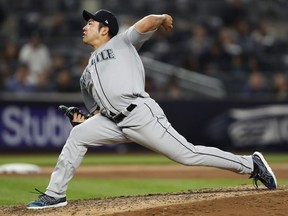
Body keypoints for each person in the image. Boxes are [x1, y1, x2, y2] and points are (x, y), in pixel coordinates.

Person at [27, 9, 277, 209]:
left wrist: (162, 17)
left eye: (90, 23)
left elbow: (144, 24)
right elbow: (98, 112)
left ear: (105, 30)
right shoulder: (86, 74)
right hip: (114, 122)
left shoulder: (122, 43)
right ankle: (55, 195)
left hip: (140, 114)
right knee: (78, 136)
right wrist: (84, 122)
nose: (85, 26)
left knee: (187, 154)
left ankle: (250, 164)